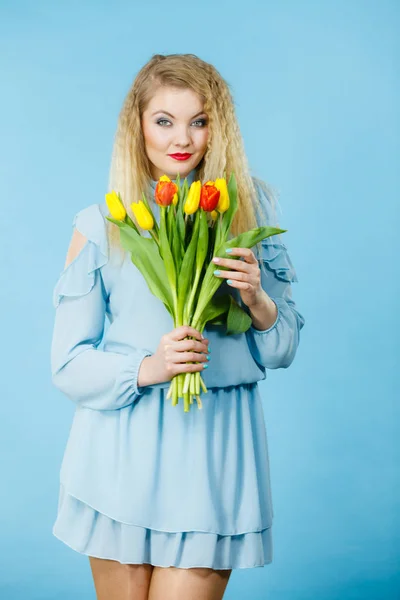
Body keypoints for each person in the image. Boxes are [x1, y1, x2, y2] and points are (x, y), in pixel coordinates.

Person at [50, 53, 305, 600]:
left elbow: (283, 349)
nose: (181, 138)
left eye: (199, 120)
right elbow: (68, 365)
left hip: (212, 458)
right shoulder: (105, 224)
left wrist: (257, 298)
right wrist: (149, 367)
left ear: (218, 129)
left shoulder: (249, 214)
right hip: (120, 453)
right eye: (163, 120)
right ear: (138, 126)